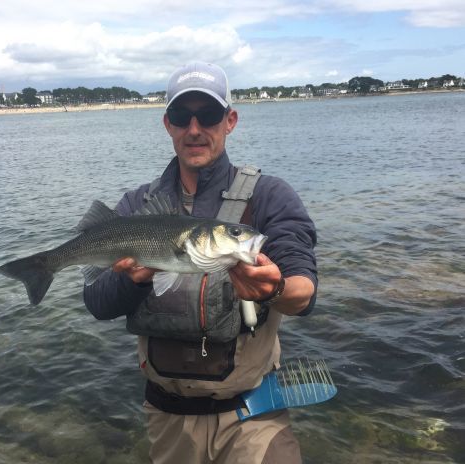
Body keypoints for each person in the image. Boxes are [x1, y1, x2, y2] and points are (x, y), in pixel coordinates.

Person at [84, 62, 317, 464]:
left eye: (208, 115)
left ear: (230, 121)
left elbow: (304, 293)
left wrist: (276, 289)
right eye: (181, 116)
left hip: (254, 416)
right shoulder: (136, 207)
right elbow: (98, 304)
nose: (195, 129)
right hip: (167, 419)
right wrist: (134, 280)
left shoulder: (270, 196)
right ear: (167, 124)